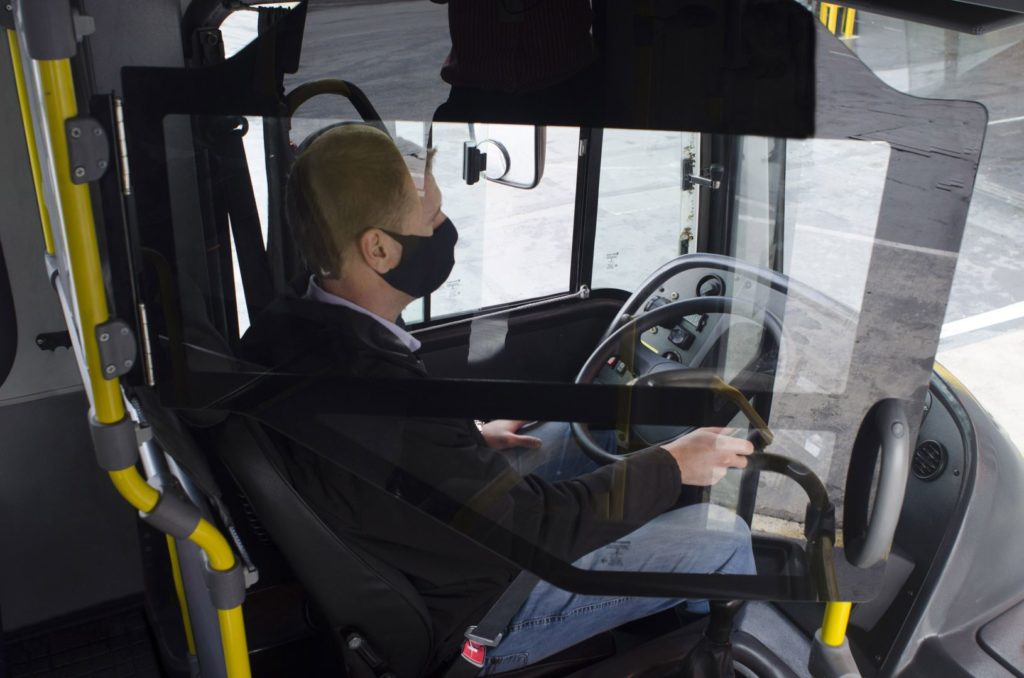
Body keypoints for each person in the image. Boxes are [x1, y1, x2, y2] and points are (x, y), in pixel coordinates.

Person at [241, 124, 755, 674]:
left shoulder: (288, 328)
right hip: (479, 612)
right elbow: (534, 530)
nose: (445, 229)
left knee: (602, 432)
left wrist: (466, 444)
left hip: (427, 535)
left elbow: (379, 461)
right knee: (722, 543)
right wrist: (673, 466)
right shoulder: (385, 404)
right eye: (432, 219)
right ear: (380, 249)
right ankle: (703, 657)